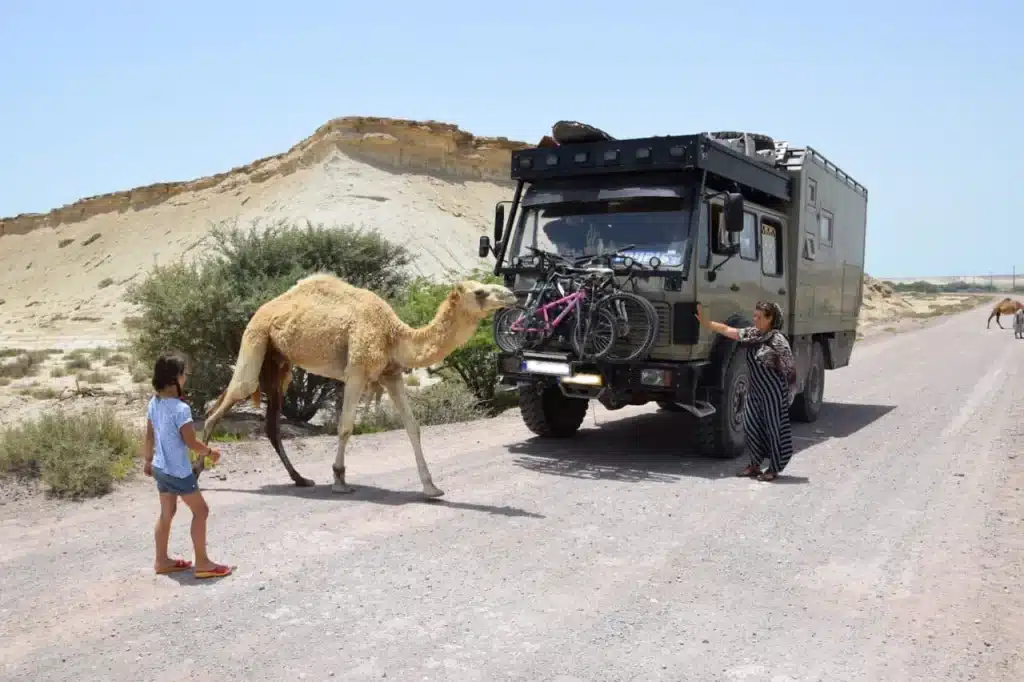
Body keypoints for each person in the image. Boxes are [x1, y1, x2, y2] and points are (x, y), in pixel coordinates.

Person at [142, 352, 232, 578]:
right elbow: (191, 442)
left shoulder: (155, 402)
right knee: (201, 511)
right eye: (184, 374)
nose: (186, 378)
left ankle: (161, 561)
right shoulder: (181, 410)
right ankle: (203, 563)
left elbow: (149, 435)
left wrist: (147, 460)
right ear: (175, 379)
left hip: (160, 469)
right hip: (178, 472)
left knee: (167, 513)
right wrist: (211, 452)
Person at [696, 301, 797, 481]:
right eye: (754, 316)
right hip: (755, 390)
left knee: (774, 429)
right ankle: (755, 465)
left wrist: (789, 393)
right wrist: (707, 323)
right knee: (751, 427)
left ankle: (773, 468)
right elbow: (728, 330)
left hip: (773, 392)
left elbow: (790, 368)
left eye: (759, 317)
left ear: (770, 319)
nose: (755, 320)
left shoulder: (778, 340)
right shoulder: (751, 334)